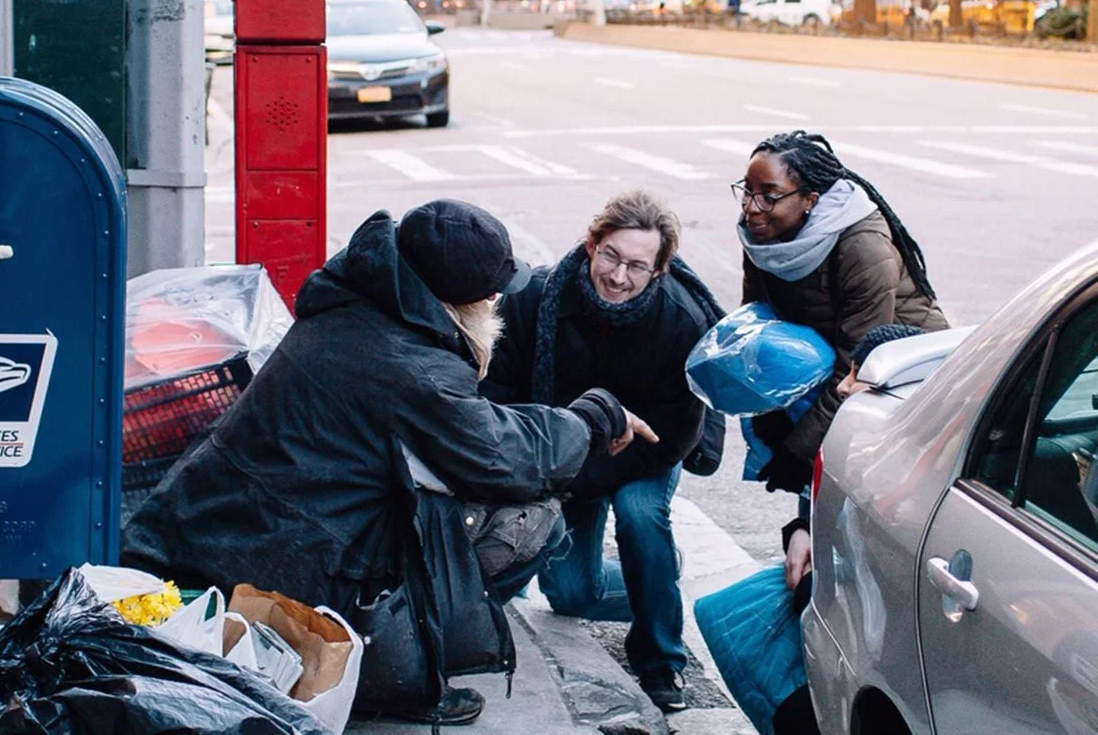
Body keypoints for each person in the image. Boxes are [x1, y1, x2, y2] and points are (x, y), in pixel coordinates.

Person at [122, 199, 654, 726]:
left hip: (214, 527)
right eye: (490, 292)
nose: (496, 299)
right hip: (283, 557)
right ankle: (390, 674)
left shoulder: (356, 302)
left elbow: (471, 426)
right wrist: (594, 417)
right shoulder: (411, 364)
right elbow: (505, 456)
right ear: (465, 298)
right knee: (533, 518)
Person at [482, 190, 726, 713]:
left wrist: (587, 474)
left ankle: (661, 660)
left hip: (646, 451)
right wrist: (554, 464)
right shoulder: (536, 299)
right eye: (611, 256)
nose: (618, 276)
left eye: (637, 266)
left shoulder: (681, 321)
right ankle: (658, 573)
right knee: (571, 594)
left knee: (641, 517)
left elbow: (676, 436)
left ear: (658, 270)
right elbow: (497, 394)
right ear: (592, 244)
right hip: (563, 449)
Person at [736, 130, 949, 495]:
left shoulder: (862, 247)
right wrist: (768, 410)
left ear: (810, 200)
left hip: (898, 379)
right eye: (747, 191)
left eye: (769, 196)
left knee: (861, 494)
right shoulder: (764, 235)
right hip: (829, 364)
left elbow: (859, 368)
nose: (752, 207)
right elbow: (758, 325)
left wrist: (799, 451)